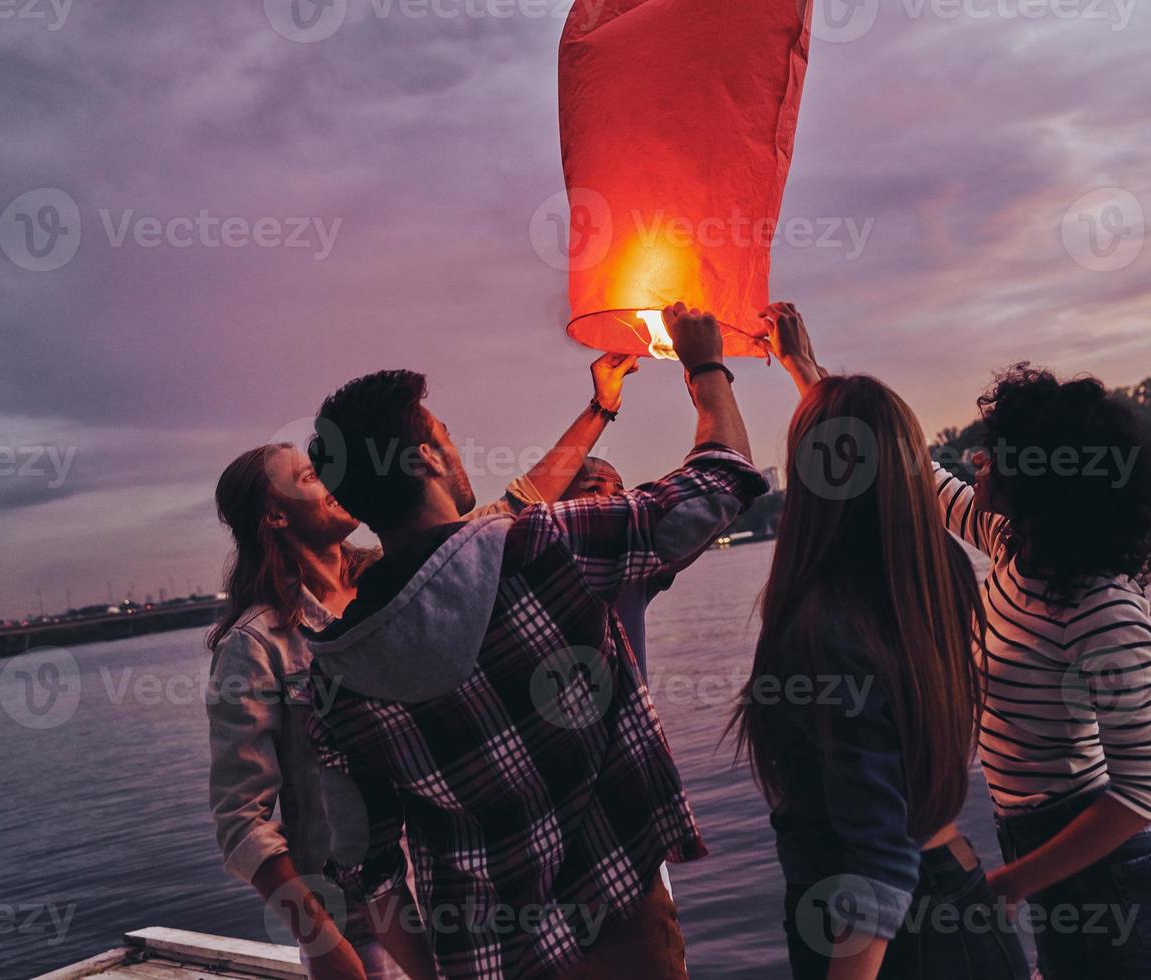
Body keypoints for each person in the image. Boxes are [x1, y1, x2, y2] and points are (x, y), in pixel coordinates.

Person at [300, 303, 766, 980]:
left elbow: (369, 873)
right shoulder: (543, 546)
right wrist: (706, 370)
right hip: (621, 931)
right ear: (427, 456)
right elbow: (717, 487)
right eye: (445, 434)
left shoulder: (336, 677)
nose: (456, 449)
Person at [770, 305, 1151, 978]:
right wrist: (807, 375)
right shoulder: (1014, 546)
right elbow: (921, 482)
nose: (978, 458)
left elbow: (1142, 790)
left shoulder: (1103, 608)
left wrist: (1012, 882)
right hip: (1042, 855)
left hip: (1110, 880)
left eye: (997, 451)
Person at [205, 354, 639, 980]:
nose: (332, 479)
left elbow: (512, 505)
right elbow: (240, 820)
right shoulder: (256, 645)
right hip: (358, 928)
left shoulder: (399, 585)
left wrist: (600, 406)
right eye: (307, 475)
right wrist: (324, 943)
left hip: (459, 895)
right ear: (274, 515)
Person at [733, 303, 1030, 980]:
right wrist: (807, 374)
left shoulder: (820, 630)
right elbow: (876, 466)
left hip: (888, 947)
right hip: (960, 912)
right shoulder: (941, 574)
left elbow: (879, 859)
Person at [558, 457, 672, 680]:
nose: (610, 500)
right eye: (593, 489)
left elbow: (700, 524)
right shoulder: (536, 572)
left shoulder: (633, 572)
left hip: (634, 714)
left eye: (618, 492)